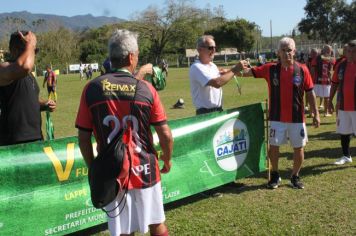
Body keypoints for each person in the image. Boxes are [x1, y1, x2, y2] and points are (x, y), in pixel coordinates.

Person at [75, 29, 173, 236]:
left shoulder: (91, 88)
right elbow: (164, 133)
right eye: (137, 55)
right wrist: (167, 158)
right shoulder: (146, 89)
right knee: (157, 223)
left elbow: (83, 138)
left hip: (112, 173)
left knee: (122, 231)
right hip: (146, 168)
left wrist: (95, 169)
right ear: (131, 57)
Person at [241, 37, 320, 189]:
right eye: (283, 50)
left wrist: (315, 113)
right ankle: (275, 174)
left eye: (289, 50)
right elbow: (248, 72)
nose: (286, 53)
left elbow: (310, 92)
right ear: (278, 52)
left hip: (297, 118)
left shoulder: (302, 69)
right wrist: (231, 71)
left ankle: (295, 176)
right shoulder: (270, 68)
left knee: (299, 148)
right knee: (274, 147)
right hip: (276, 118)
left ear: (294, 51)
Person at [0, 31, 56, 146]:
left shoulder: (29, 75)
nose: (33, 54)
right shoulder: (4, 69)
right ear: (14, 50)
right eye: (30, 50)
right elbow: (24, 67)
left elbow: (27, 100)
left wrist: (44, 104)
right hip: (13, 142)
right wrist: (31, 44)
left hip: (36, 138)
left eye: (34, 51)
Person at [189, 35, 247, 115]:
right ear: (199, 50)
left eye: (214, 48)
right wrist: (235, 69)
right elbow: (217, 83)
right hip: (205, 113)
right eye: (210, 48)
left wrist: (230, 70)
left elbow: (220, 78)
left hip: (219, 111)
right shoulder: (196, 67)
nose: (213, 50)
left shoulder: (213, 65)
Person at [329, 40, 356, 165]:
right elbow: (334, 83)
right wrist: (330, 100)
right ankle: (346, 156)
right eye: (348, 51)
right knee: (344, 131)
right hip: (344, 105)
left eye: (353, 52)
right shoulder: (341, 65)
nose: (350, 54)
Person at [311, 45, 335, 116]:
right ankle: (325, 112)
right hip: (326, 81)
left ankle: (312, 112)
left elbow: (312, 70)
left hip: (317, 81)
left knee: (315, 96)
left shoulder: (316, 58)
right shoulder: (332, 59)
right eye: (330, 50)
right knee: (326, 97)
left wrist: (312, 79)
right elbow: (331, 71)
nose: (330, 52)